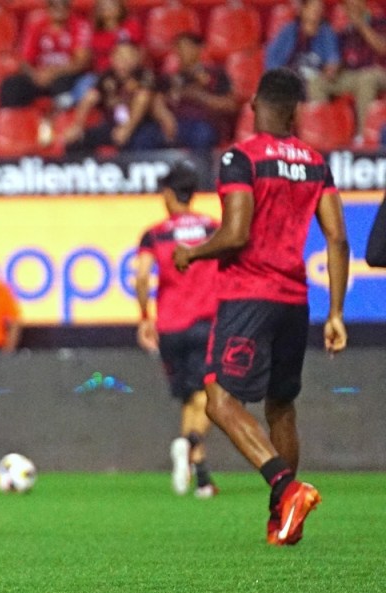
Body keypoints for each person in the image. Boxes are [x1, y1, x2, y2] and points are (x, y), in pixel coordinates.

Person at [173, 68, 350, 546]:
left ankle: (285, 487)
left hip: (249, 295)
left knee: (219, 399)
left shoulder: (240, 157)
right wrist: (336, 312)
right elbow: (337, 237)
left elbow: (236, 233)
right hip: (297, 301)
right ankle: (283, 521)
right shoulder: (316, 162)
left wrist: (192, 252)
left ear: (254, 104)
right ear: (295, 110)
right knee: (281, 407)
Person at [135, 161, 219, 498]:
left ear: (169, 194)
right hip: (208, 321)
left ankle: (199, 474)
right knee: (208, 396)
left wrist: (144, 316)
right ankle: (190, 446)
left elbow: (141, 276)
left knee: (189, 397)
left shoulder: (155, 233)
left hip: (170, 326)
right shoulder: (214, 228)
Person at [308, 0, 386, 141]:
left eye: (355, 2)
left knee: (367, 79)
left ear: (364, 3)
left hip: (379, 72)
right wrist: (333, 67)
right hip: (351, 75)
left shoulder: (379, 21)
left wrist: (361, 25)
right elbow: (339, 57)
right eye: (349, 4)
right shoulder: (345, 30)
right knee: (317, 82)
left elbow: (382, 48)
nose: (352, 6)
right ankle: (325, 132)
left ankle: (362, 136)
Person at [63, 41, 163, 151]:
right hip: (113, 125)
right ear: (112, 59)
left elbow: (144, 98)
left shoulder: (145, 75)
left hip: (141, 126)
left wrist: (127, 129)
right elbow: (90, 98)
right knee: (76, 141)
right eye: (119, 56)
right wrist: (78, 126)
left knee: (141, 142)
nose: (123, 61)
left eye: (128, 57)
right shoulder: (106, 77)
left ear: (136, 59)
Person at [0, 0, 93, 110]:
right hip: (39, 75)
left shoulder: (79, 25)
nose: (59, 9)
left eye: (63, 5)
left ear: (69, 8)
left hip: (65, 74)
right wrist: (35, 75)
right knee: (11, 85)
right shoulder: (37, 25)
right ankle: (16, 124)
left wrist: (54, 72)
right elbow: (24, 61)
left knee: (65, 87)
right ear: (48, 8)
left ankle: (60, 123)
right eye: (54, 5)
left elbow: (81, 62)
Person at [151, 32, 238, 150]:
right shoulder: (169, 78)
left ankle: (200, 168)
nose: (182, 51)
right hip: (174, 123)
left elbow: (230, 105)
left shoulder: (216, 74)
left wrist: (200, 96)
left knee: (202, 134)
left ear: (198, 49)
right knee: (147, 135)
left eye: (187, 47)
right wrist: (165, 116)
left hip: (203, 123)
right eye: (179, 47)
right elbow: (157, 100)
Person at [264, 0, 340, 94]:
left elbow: (332, 60)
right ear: (303, 10)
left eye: (319, 8)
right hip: (290, 82)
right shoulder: (289, 31)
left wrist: (328, 72)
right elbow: (272, 60)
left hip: (315, 83)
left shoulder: (326, 32)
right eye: (313, 8)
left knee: (316, 87)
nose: (317, 11)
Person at [89, 0, 143, 75]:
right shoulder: (95, 33)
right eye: (104, 6)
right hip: (103, 74)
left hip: (132, 71)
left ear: (120, 7)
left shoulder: (131, 26)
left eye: (112, 5)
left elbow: (141, 50)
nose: (108, 8)